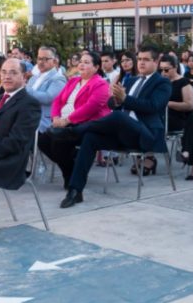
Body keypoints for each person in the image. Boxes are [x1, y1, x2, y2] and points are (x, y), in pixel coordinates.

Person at [50, 46, 172, 208]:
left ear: (156, 61)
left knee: (117, 116)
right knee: (90, 138)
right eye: (140, 59)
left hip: (145, 134)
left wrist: (125, 98)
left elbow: (153, 106)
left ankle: (73, 131)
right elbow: (116, 106)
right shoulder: (133, 80)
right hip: (122, 133)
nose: (141, 63)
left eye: (146, 59)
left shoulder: (163, 82)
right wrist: (114, 100)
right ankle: (75, 191)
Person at [39, 51, 110, 189]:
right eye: (81, 61)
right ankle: (73, 166)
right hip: (64, 123)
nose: (82, 64)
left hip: (86, 124)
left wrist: (66, 120)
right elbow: (57, 101)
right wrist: (55, 117)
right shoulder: (73, 81)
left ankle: (68, 174)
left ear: (96, 67)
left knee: (58, 143)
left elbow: (91, 108)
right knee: (43, 141)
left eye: (87, 62)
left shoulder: (101, 84)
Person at [0, 59, 41, 190]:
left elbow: (16, 141)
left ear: (24, 77)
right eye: (4, 72)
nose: (7, 76)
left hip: (8, 162)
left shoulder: (29, 104)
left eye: (13, 72)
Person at [26, 46, 66, 133]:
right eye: (39, 58)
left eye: (46, 59)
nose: (41, 62)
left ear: (54, 61)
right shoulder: (34, 78)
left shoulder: (58, 78)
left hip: (43, 121)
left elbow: (48, 98)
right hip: (28, 117)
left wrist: (26, 90)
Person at [160, 54, 193, 132]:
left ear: (175, 67)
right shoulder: (162, 82)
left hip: (176, 118)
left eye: (166, 70)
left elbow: (189, 105)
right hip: (162, 116)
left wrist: (168, 103)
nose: (163, 72)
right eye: (160, 70)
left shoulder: (183, 82)